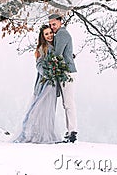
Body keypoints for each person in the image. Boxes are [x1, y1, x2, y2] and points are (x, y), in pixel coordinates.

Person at [13, 25, 61, 143]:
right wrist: (48, 74)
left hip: (53, 82)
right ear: (43, 37)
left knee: (49, 109)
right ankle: (33, 134)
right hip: (45, 82)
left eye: (50, 33)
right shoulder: (42, 48)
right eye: (46, 34)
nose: (49, 35)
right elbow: (39, 65)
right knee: (39, 108)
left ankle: (48, 133)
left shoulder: (55, 46)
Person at [49, 13, 78, 143]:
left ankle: (72, 132)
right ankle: (70, 131)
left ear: (60, 22)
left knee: (69, 103)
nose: (52, 27)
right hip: (65, 71)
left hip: (67, 72)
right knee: (66, 103)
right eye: (50, 25)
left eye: (54, 24)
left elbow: (57, 53)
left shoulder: (62, 34)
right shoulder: (61, 34)